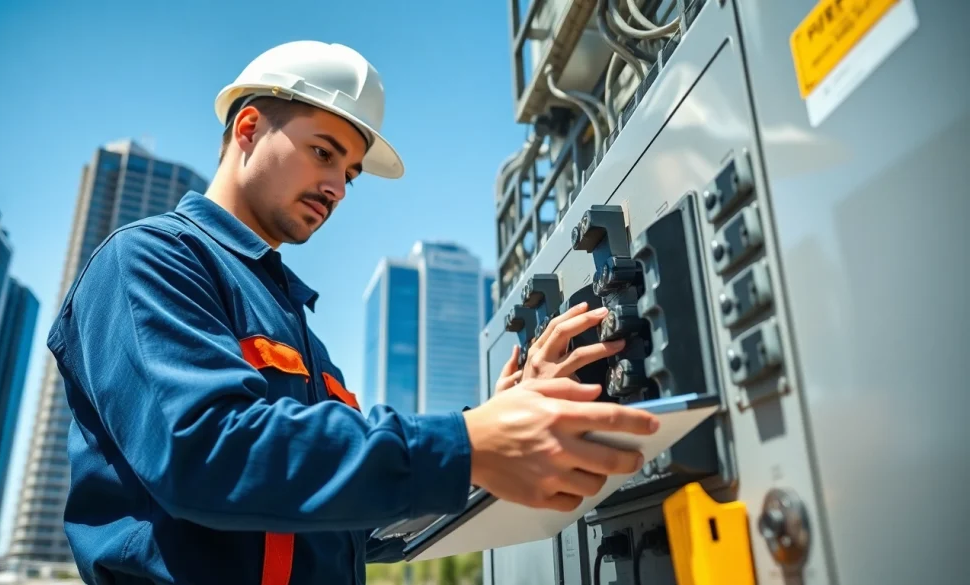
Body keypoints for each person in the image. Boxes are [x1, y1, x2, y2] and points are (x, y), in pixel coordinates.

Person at [48, 40, 661, 585]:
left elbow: (349, 523)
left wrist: (493, 434)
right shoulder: (149, 262)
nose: (338, 188)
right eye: (323, 152)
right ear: (248, 128)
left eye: (350, 173)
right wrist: (472, 443)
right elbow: (207, 452)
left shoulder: (299, 327)